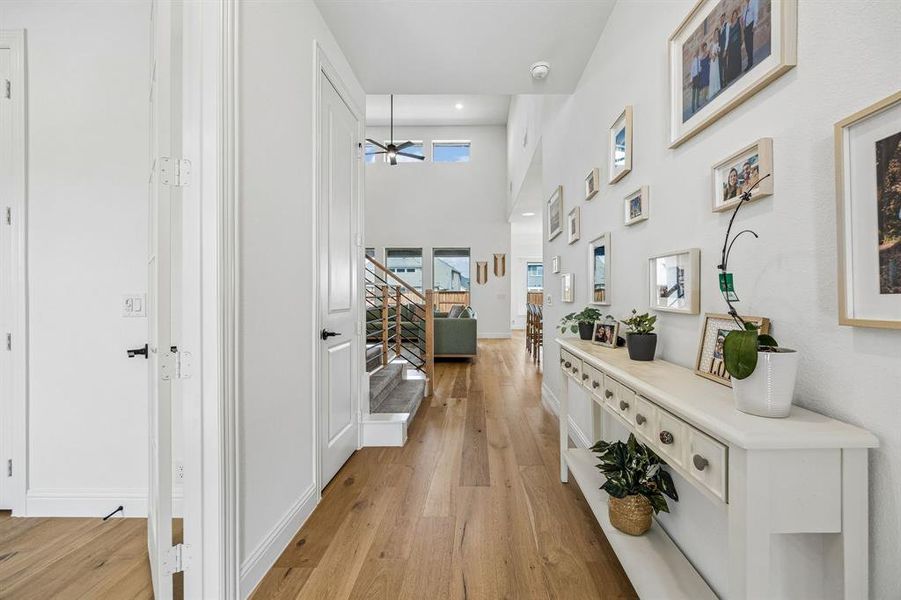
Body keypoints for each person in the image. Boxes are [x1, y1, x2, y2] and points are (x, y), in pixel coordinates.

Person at [724, 9, 743, 85]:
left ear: (737, 15)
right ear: (732, 16)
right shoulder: (730, 24)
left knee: (737, 56)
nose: (734, 16)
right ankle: (731, 76)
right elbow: (728, 36)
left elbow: (741, 29)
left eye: (735, 14)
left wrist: (742, 38)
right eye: (733, 15)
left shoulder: (739, 21)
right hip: (731, 45)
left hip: (737, 42)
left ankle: (737, 72)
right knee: (731, 59)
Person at [742, 0, 759, 72]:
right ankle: (749, 61)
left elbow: (756, 12)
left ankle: (750, 62)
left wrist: (754, 24)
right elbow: (744, 16)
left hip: (751, 25)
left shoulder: (754, 1)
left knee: (750, 44)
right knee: (747, 45)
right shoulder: (746, 5)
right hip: (746, 27)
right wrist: (743, 23)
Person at [708, 33, 722, 97]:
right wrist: (712, 57)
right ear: (713, 37)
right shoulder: (711, 45)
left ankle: (717, 88)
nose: (716, 38)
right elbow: (709, 54)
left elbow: (719, 51)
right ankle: (713, 90)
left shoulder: (718, 44)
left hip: (716, 60)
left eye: (717, 36)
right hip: (712, 61)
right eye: (715, 36)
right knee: (713, 74)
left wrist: (716, 54)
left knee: (717, 73)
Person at [699, 42, 711, 107]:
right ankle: (704, 98)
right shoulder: (702, 55)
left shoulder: (708, 52)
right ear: (703, 48)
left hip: (707, 69)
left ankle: (707, 96)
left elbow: (709, 59)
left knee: (708, 83)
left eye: (706, 46)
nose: (705, 48)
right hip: (704, 71)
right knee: (704, 84)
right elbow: (701, 64)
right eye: (704, 47)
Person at [717, 13, 728, 84]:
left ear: (724, 18)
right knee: (720, 66)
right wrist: (718, 50)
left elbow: (727, 38)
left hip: (724, 49)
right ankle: (721, 81)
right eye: (721, 18)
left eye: (723, 18)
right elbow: (718, 41)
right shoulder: (719, 30)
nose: (722, 19)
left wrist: (725, 50)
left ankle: (726, 80)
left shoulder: (726, 26)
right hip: (720, 50)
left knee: (724, 65)